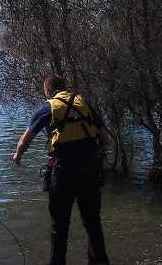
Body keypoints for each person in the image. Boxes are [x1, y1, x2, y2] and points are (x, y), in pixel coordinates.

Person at [12, 74, 109, 265]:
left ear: (47, 90)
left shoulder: (48, 108)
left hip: (64, 172)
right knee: (92, 222)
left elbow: (25, 139)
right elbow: (104, 138)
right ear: (64, 87)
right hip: (90, 171)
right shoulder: (84, 103)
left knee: (60, 224)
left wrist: (17, 155)